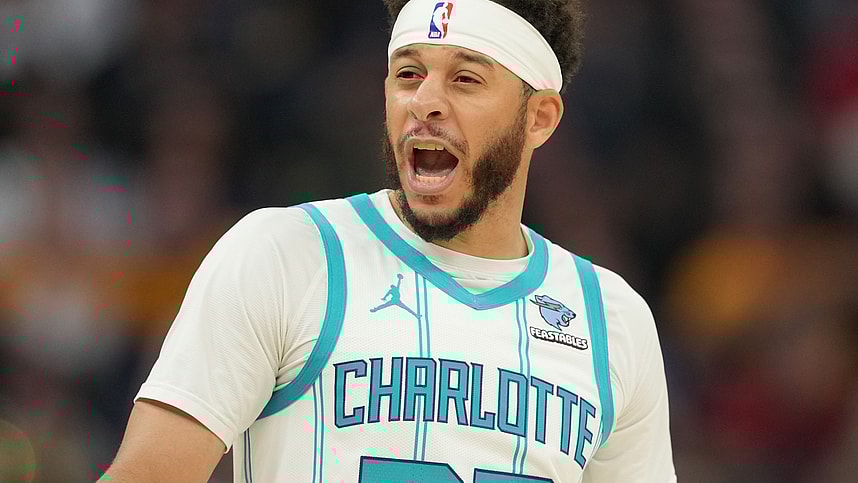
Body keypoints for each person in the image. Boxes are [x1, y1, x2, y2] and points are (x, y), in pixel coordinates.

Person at [101, 0, 676, 481]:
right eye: (408, 73)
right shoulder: (286, 254)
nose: (423, 101)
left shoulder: (613, 319)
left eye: (465, 79)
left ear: (540, 118)